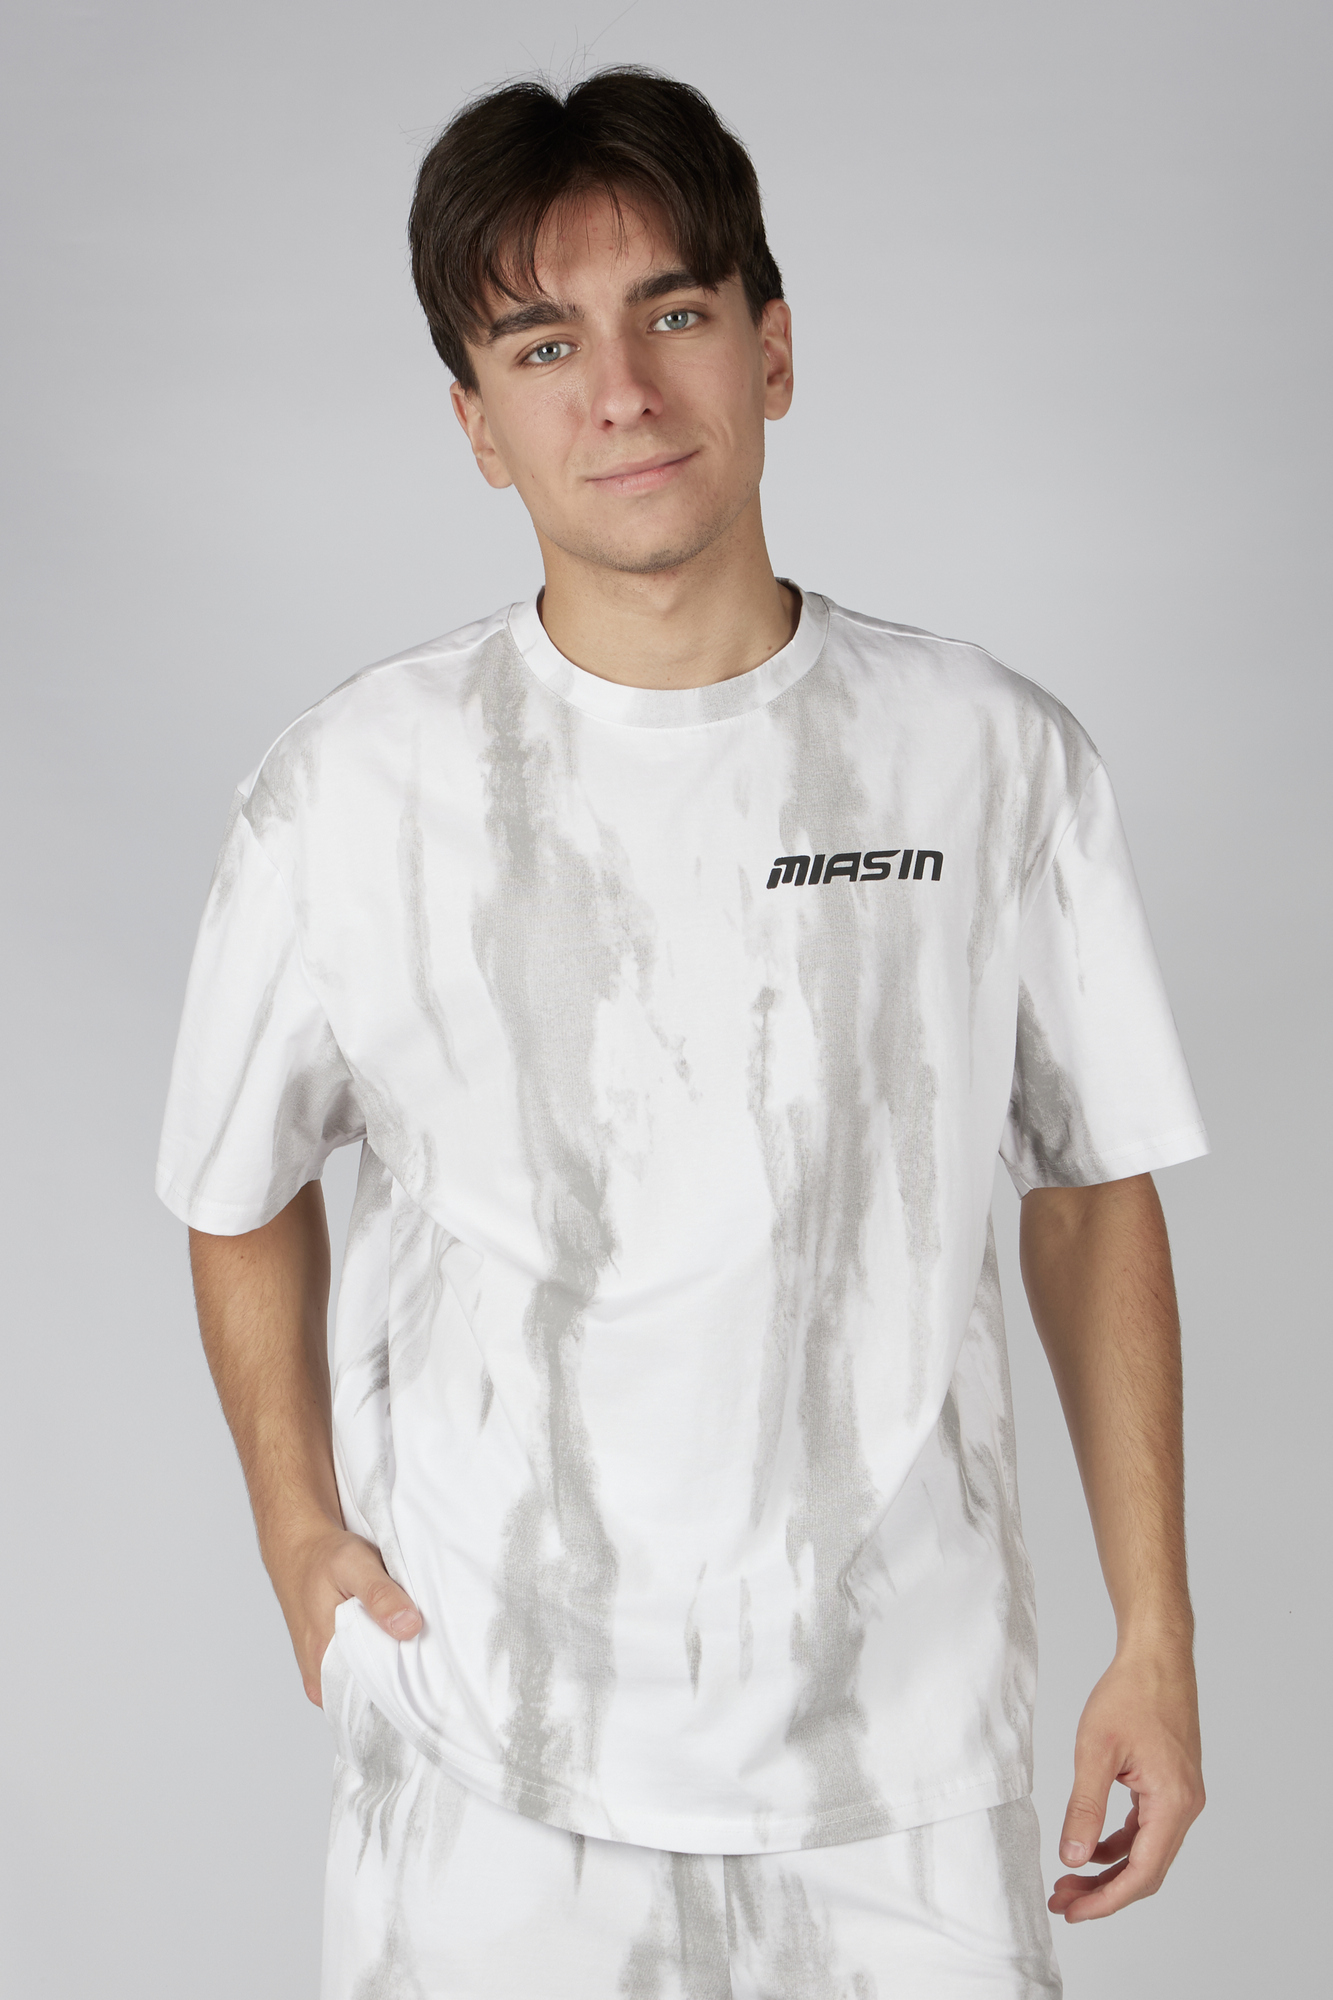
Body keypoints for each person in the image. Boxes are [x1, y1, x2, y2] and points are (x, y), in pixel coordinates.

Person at [156, 67, 1208, 2000]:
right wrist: (300, 1537)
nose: (622, 392)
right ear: (476, 426)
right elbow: (234, 1190)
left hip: (900, 1765)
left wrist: (1156, 1637)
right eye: (543, 345)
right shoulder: (347, 796)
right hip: (488, 1762)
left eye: (674, 312)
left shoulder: (984, 757)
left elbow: (1085, 1186)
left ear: (771, 349)